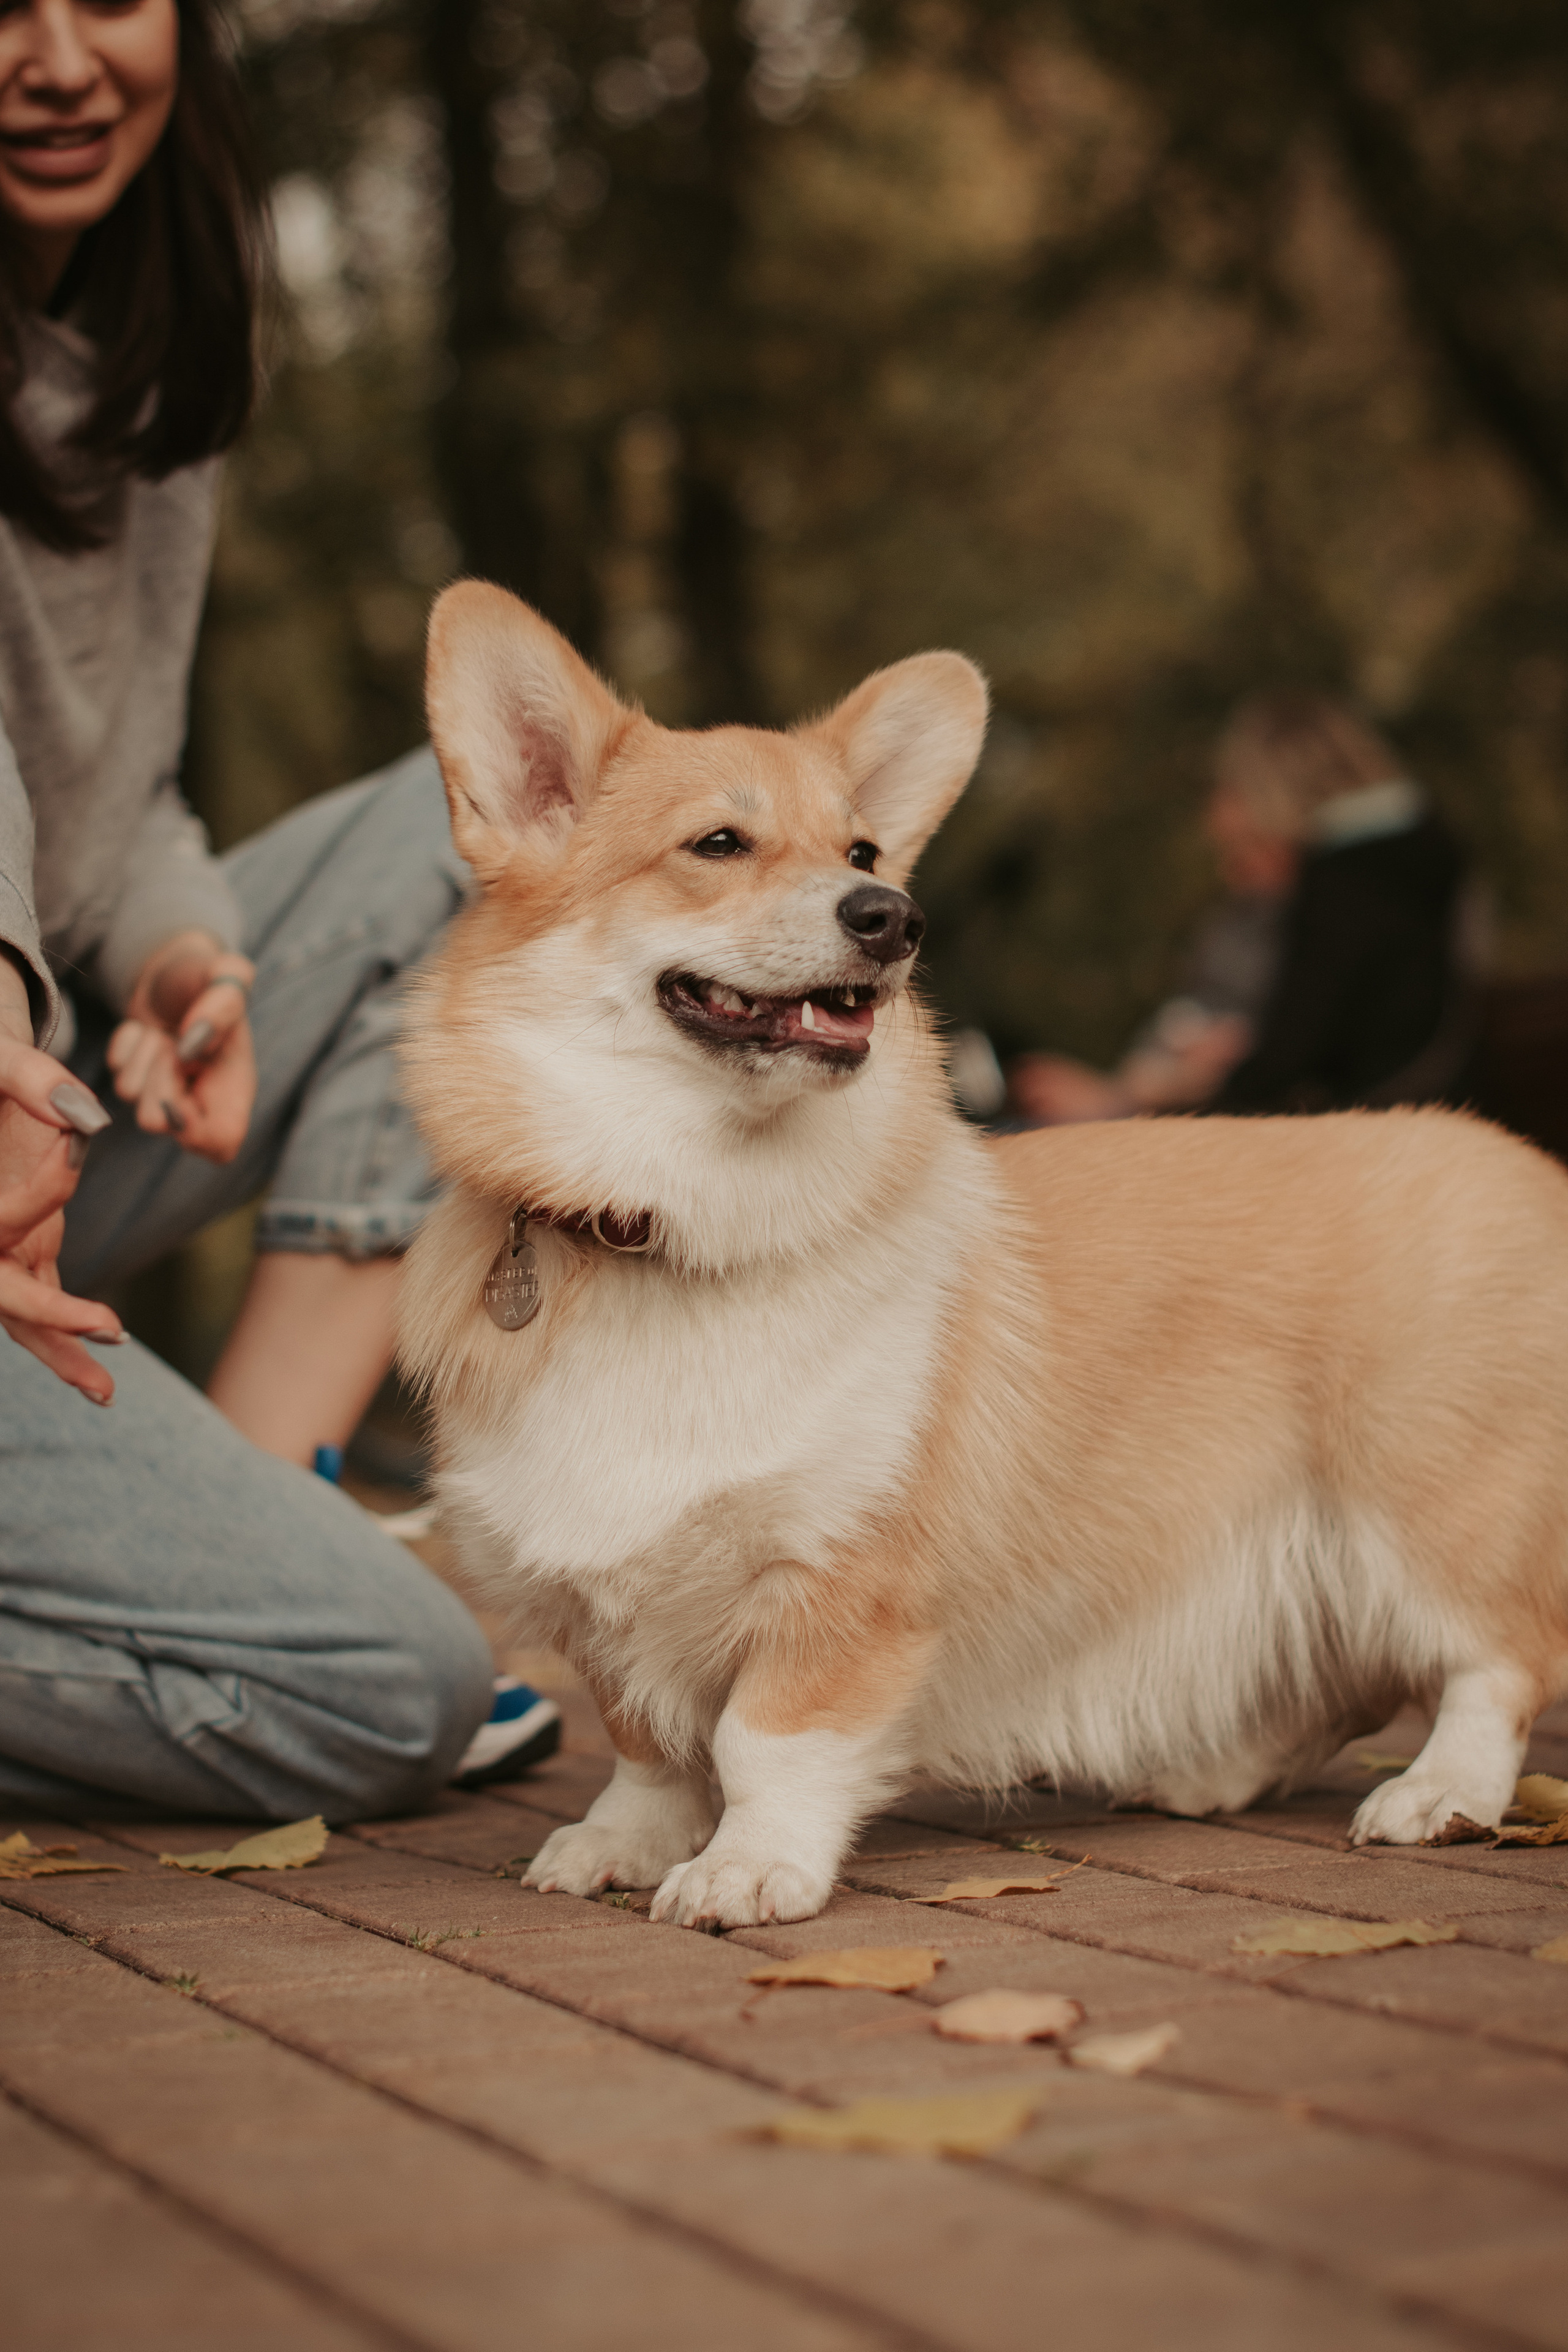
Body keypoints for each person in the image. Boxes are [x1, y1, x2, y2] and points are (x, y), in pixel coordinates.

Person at [0, 0, 557, 1821]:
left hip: (40, 1108)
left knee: (447, 841)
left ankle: (272, 1487)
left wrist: (182, 955)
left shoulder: (152, 309)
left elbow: (115, 786)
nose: (63, 57)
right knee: (389, 1684)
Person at [1008, 692, 1477, 1126]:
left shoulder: (1345, 887)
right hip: (1409, 1128)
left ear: (1271, 795)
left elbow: (1278, 1075)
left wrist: (1122, 1108)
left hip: (1361, 1146)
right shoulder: (1420, 866)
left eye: (1231, 794)